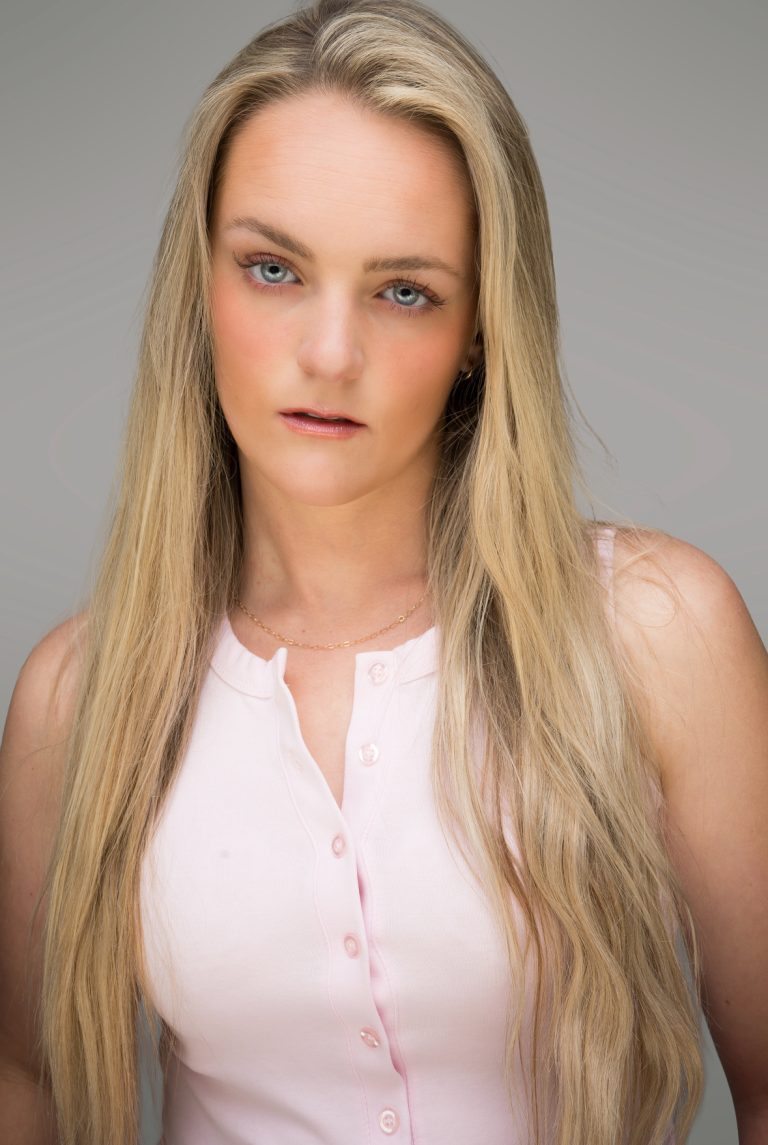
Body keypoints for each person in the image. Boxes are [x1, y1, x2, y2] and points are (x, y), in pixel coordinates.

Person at [1, 0, 766, 1142]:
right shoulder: (77, 700)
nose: (329, 353)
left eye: (404, 290)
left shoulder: (656, 632)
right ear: (199, 287)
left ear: (480, 330)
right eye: (272, 269)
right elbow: (24, 1085)